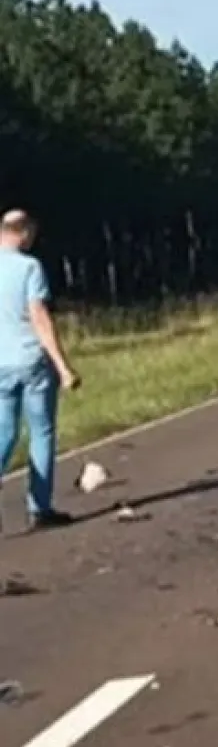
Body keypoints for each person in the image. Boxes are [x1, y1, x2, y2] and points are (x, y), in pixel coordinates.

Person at [0, 210, 79, 531]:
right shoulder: (29, 267)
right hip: (31, 360)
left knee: (4, 432)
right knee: (41, 431)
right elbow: (39, 317)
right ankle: (40, 507)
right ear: (24, 232)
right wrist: (63, 367)